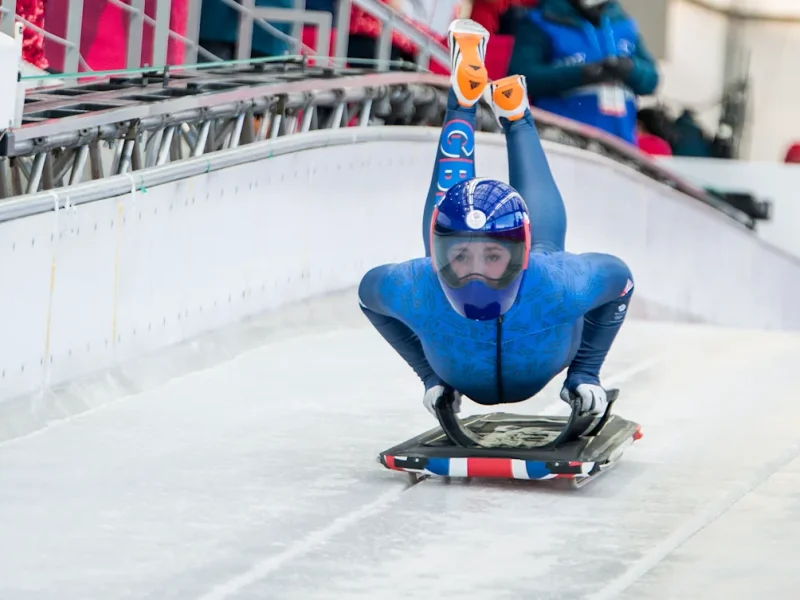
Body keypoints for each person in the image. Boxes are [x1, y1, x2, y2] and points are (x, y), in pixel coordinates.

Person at [358, 19, 634, 419]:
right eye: (461, 258)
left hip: (525, 280)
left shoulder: (559, 282)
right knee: (454, 228)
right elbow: (370, 298)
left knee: (541, 249)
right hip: (511, 331)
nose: (475, 275)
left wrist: (586, 372)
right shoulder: (415, 284)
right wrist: (429, 378)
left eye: (492, 257)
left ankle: (478, 109)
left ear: (517, 255)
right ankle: (511, 114)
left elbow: (620, 282)